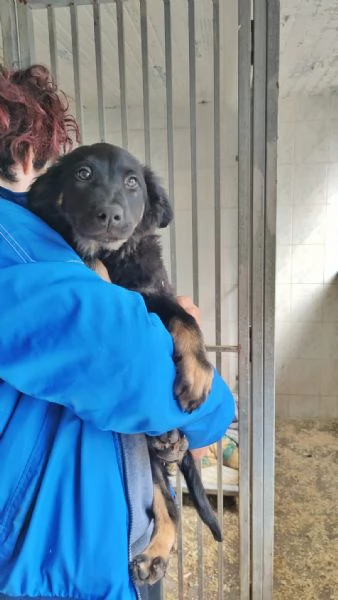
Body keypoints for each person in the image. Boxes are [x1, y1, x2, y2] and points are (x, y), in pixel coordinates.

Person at [0, 64, 235, 600]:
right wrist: (214, 410)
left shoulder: (40, 240)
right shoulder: (18, 240)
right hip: (61, 568)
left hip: (79, 546)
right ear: (30, 152)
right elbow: (139, 369)